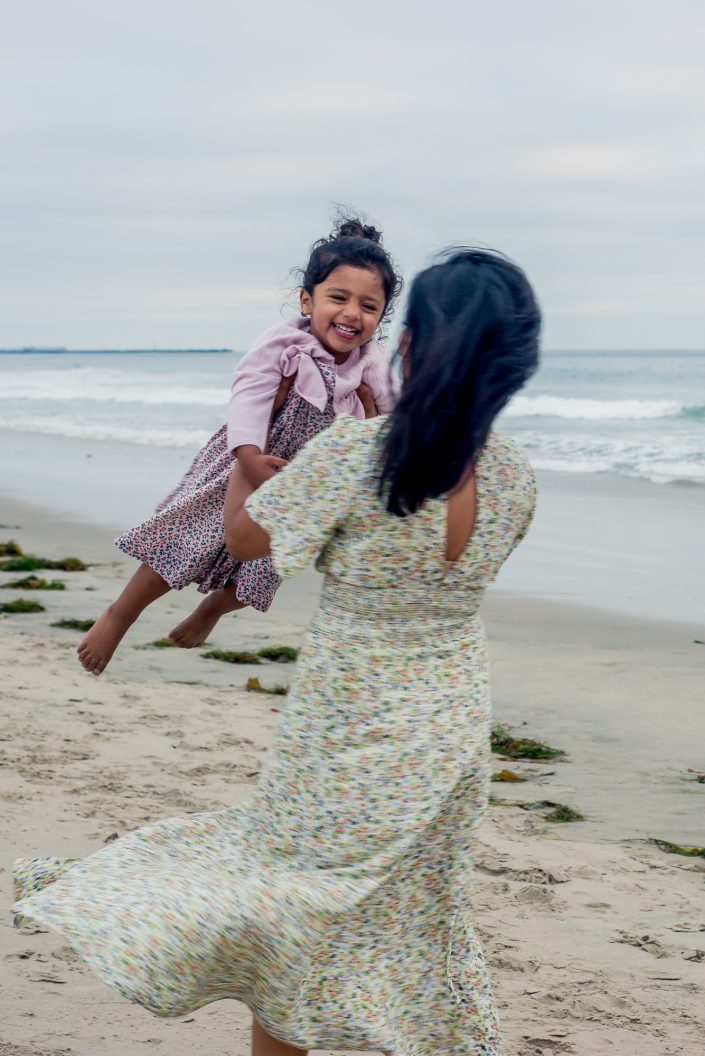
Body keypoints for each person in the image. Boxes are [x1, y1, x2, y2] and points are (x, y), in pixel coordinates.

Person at [14, 247, 540, 1056]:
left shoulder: (360, 455)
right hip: (449, 730)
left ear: (408, 344)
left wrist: (242, 448)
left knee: (291, 920)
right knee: (406, 922)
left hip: (347, 728)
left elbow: (246, 537)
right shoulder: (516, 476)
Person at [76, 218, 401, 675]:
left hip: (306, 479)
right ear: (308, 300)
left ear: (382, 316)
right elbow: (248, 394)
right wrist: (247, 458)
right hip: (247, 459)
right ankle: (119, 615)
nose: (352, 313)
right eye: (338, 298)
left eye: (369, 306)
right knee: (185, 542)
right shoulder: (285, 344)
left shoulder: (373, 362)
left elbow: (393, 418)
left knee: (272, 563)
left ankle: (212, 610)